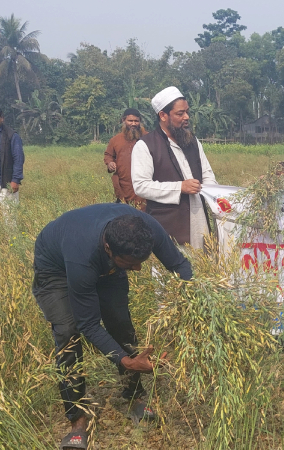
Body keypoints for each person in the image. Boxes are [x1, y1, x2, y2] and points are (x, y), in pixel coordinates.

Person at [33, 204, 193, 450]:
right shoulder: (82, 258)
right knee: (68, 332)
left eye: (141, 261)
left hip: (101, 258)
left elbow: (180, 266)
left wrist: (193, 304)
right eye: (131, 263)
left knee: (120, 323)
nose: (138, 269)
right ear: (109, 249)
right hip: (56, 267)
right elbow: (88, 323)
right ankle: (77, 420)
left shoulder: (147, 228)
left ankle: (134, 395)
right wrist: (125, 361)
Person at [131, 86, 217, 248]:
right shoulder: (145, 145)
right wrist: (180, 188)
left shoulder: (193, 141)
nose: (186, 117)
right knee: (172, 271)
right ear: (163, 115)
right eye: (180, 113)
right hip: (168, 227)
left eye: (187, 112)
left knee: (203, 270)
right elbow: (141, 186)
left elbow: (208, 175)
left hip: (200, 222)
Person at [104, 108, 147, 209]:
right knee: (124, 214)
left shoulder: (148, 138)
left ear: (140, 122)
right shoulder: (115, 140)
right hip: (123, 186)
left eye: (136, 121)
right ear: (124, 120)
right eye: (130, 121)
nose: (133, 124)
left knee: (143, 214)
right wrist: (110, 163)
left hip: (143, 185)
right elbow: (108, 155)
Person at [0, 109, 25, 203]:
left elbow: (18, 159)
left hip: (7, 183)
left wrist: (15, 180)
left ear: (2, 118)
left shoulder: (12, 136)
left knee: (9, 216)